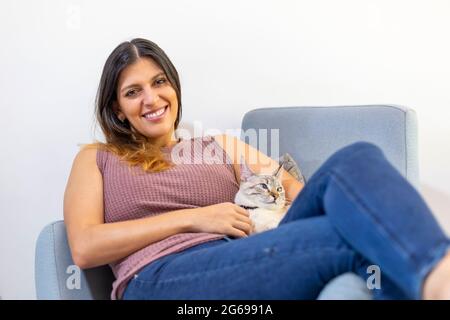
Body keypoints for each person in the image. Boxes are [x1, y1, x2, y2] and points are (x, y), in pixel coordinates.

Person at [64, 38, 450, 300]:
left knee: (356, 158)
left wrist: (279, 221)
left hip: (244, 251)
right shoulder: (97, 158)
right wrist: (194, 219)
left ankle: (439, 273)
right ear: (117, 108)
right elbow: (84, 247)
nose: (152, 99)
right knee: (342, 238)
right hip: (160, 275)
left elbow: (302, 193)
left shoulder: (219, 146)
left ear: (174, 87)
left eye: (159, 82)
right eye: (133, 92)